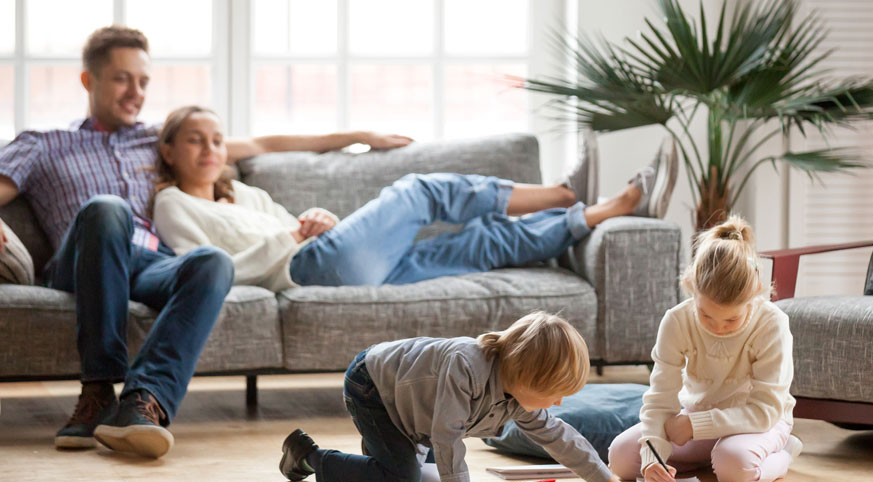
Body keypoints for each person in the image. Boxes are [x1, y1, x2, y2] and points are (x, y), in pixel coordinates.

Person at [0, 26, 412, 458]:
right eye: (122, 79)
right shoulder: (44, 145)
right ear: (89, 80)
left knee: (212, 261)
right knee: (108, 208)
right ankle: (98, 388)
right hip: (83, 262)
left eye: (143, 81)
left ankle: (144, 403)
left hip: (146, 262)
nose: (135, 92)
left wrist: (359, 136)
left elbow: (262, 143)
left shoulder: (156, 140)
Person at [149, 106, 666, 291]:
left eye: (217, 139)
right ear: (169, 151)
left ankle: (602, 210)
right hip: (307, 268)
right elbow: (203, 271)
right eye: (195, 139)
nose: (211, 149)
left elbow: (295, 222)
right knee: (419, 191)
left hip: (332, 258)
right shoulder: (173, 204)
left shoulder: (243, 193)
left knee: (479, 243)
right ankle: (561, 191)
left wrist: (317, 218)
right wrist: (292, 237)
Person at [278, 312, 659, 482]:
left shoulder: (518, 396)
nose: (557, 404)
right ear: (526, 377)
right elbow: (447, 433)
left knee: (423, 480)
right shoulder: (466, 365)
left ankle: (383, 455)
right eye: (553, 394)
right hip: (373, 387)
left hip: (413, 409)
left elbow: (561, 438)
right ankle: (309, 457)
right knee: (403, 481)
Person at [607, 216, 803, 482]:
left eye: (731, 320)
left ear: (755, 295)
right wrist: (653, 458)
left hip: (759, 422)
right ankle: (710, 456)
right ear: (691, 287)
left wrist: (694, 425)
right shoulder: (676, 320)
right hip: (697, 417)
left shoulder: (772, 324)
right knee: (620, 459)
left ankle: (781, 454)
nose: (718, 328)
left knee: (735, 468)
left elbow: (764, 411)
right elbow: (660, 399)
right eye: (706, 315)